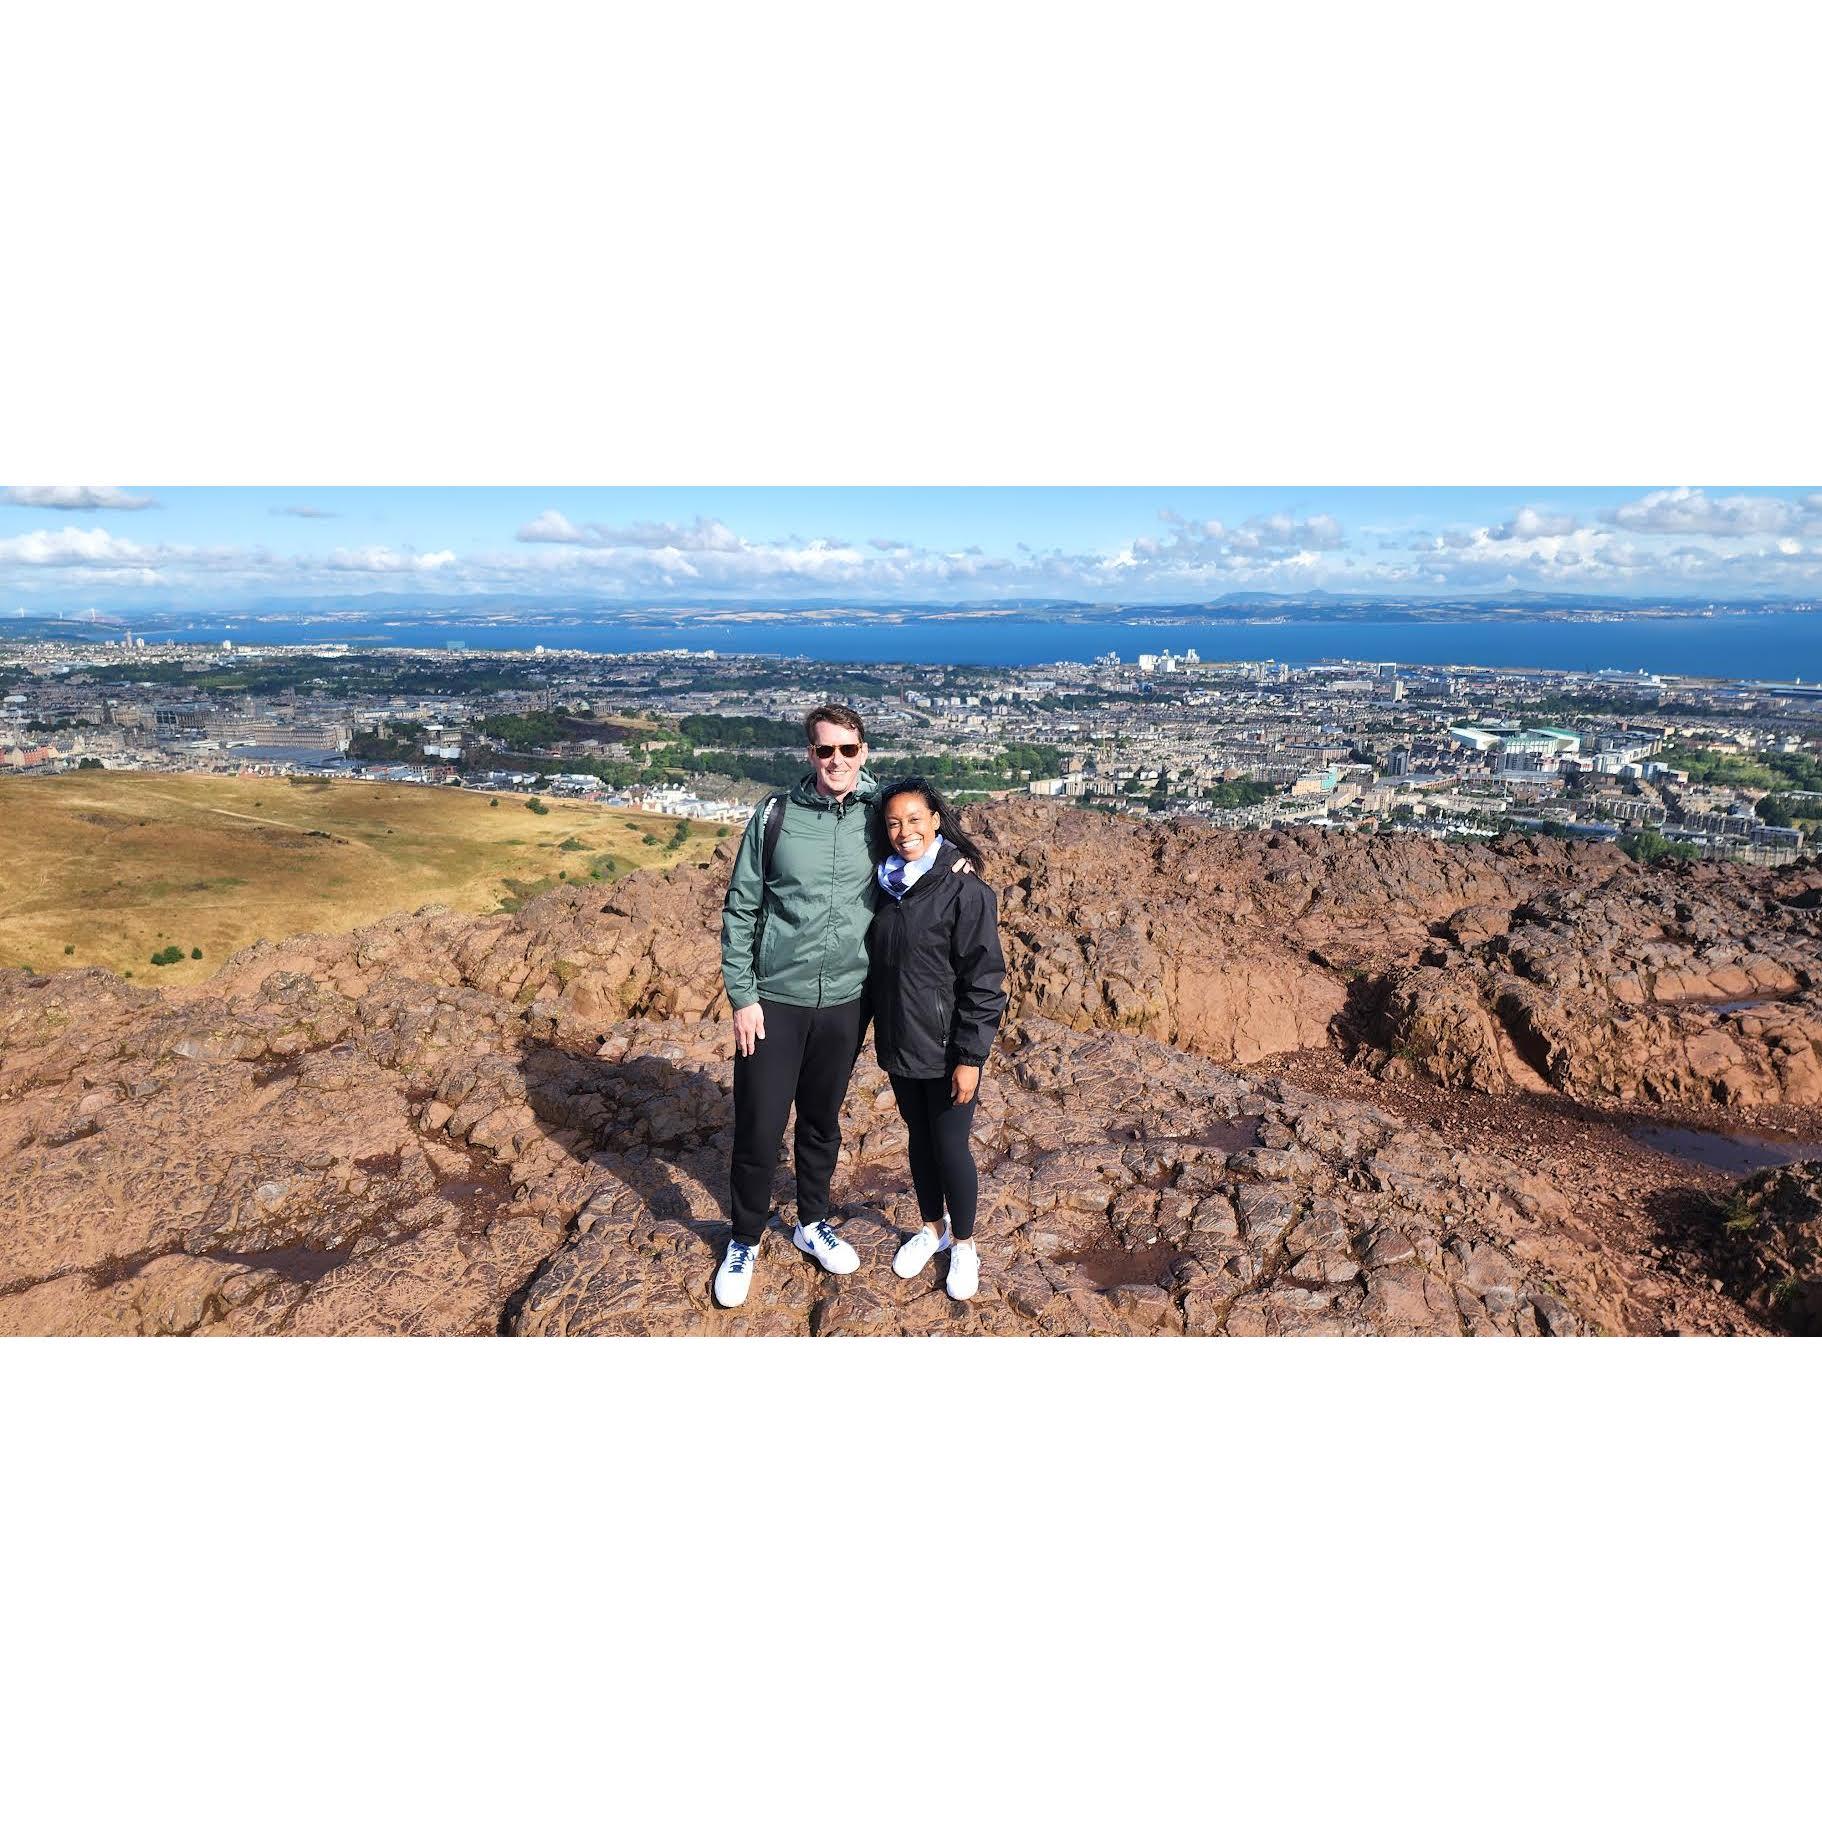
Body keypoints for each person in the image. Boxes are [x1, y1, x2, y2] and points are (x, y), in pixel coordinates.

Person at [714, 706, 971, 1309]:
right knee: (758, 1123)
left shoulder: (875, 816)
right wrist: (742, 995)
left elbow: (920, 835)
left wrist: (957, 861)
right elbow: (741, 905)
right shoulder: (775, 816)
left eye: (848, 750)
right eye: (825, 750)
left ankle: (811, 1221)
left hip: (850, 1001)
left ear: (863, 750)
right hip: (776, 998)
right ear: (810, 754)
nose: (837, 761)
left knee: (822, 1121)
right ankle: (745, 1238)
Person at [867, 777, 1007, 1302]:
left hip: (949, 1048)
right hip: (902, 1044)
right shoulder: (884, 884)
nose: (905, 832)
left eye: (915, 820)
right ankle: (932, 1229)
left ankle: (965, 1244)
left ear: (936, 820)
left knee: (950, 1148)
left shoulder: (964, 889)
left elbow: (985, 980)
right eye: (894, 823)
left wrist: (971, 1057)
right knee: (920, 1144)